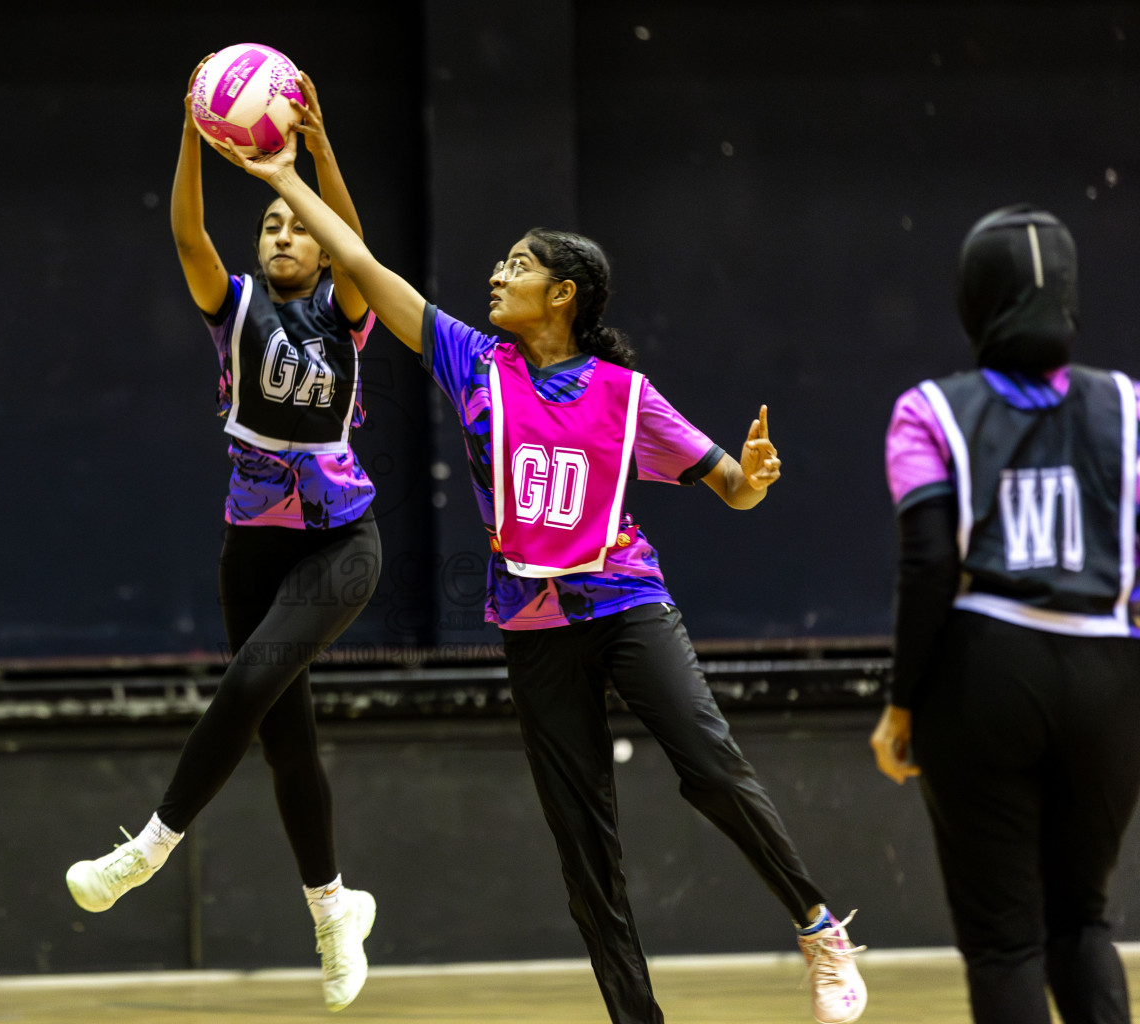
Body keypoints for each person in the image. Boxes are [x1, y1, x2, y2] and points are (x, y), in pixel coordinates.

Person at [209, 127, 867, 1024]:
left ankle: (820, 926)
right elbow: (357, 261)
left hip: (628, 604)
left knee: (710, 766)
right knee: (584, 852)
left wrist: (749, 482)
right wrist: (293, 173)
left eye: (516, 266)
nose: (496, 273)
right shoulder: (472, 361)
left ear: (562, 294)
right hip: (532, 627)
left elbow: (729, 489)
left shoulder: (626, 394)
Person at [63, 67, 380, 1012]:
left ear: (321, 252)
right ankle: (334, 908)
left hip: (342, 540)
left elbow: (358, 249)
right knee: (286, 740)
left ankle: (149, 847)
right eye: (273, 225)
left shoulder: (345, 311)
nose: (285, 234)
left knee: (249, 679)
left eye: (299, 228)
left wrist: (316, 158)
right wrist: (196, 137)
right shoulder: (235, 306)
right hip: (253, 544)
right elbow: (187, 235)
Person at [872, 205, 1140, 1024]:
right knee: (1081, 924)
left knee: (1004, 942)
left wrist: (902, 701)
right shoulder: (1129, 406)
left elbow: (927, 566)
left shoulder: (929, 411)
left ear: (972, 298)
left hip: (984, 675)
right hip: (1109, 677)